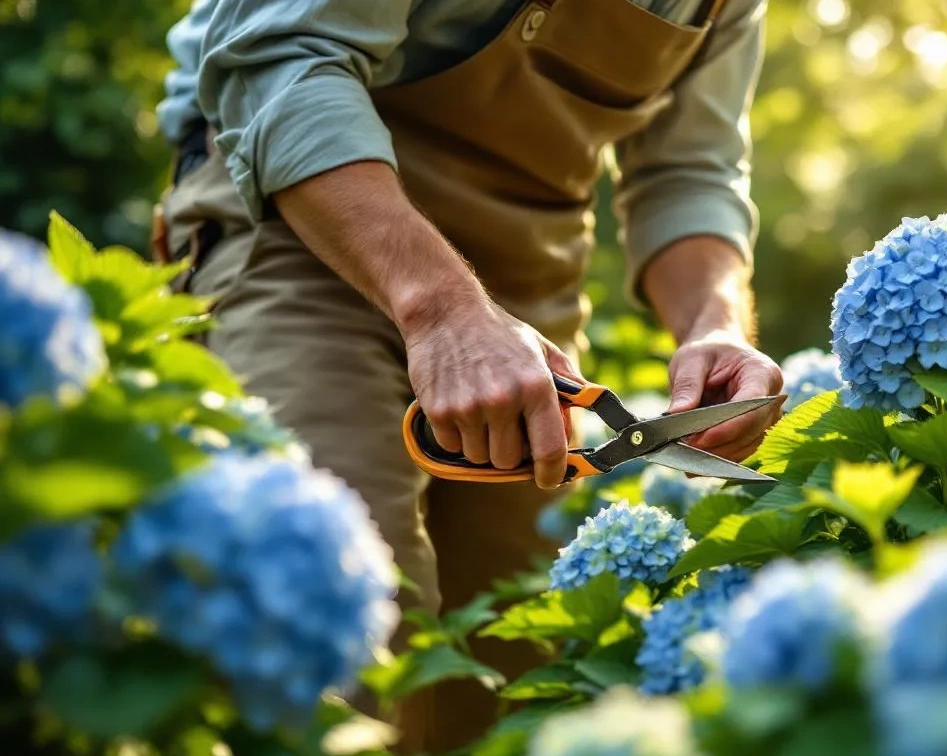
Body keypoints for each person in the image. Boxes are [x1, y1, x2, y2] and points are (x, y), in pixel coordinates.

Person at [152, 0, 782, 749]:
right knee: (332, 637)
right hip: (300, 220)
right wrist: (444, 311)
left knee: (511, 687)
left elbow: (690, 172)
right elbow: (279, 57)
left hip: (526, 287)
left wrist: (712, 322)